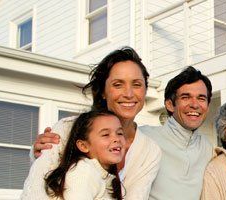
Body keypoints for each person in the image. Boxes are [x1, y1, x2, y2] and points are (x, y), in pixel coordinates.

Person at [22, 47, 162, 200]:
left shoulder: (150, 151)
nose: (128, 94)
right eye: (118, 84)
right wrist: (36, 154)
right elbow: (36, 185)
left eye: (136, 84)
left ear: (145, 90)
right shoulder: (67, 129)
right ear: (103, 91)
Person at [140, 66, 214, 200]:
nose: (195, 104)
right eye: (186, 97)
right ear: (169, 104)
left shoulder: (208, 149)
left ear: (208, 106)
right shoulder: (144, 138)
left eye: (201, 98)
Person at [44, 110, 125, 200]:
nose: (116, 139)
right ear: (83, 146)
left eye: (120, 133)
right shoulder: (83, 171)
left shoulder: (100, 175)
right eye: (106, 134)